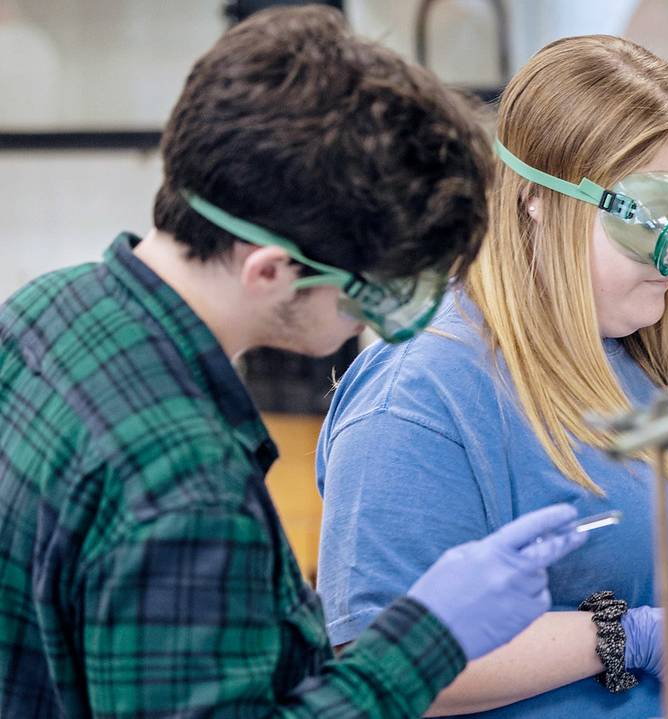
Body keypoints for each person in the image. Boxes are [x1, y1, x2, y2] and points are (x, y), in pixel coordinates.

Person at [0, 7, 588, 717]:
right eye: (370, 291)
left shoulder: (45, 308)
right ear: (272, 270)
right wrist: (430, 635)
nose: (368, 318)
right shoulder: (188, 485)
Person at [314, 35, 668, 718]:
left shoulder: (636, 357)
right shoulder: (423, 390)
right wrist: (622, 635)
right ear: (538, 200)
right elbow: (376, 660)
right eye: (649, 218)